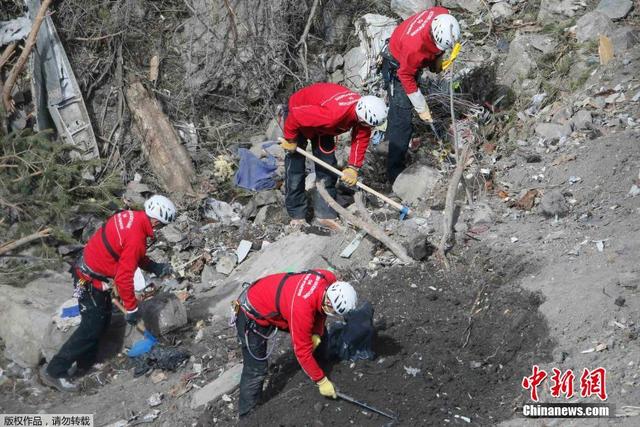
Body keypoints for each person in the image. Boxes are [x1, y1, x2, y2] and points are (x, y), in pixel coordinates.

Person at [39, 195, 177, 392]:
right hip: (87, 279)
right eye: (162, 225)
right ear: (156, 221)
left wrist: (154, 266)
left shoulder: (132, 217)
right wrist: (131, 308)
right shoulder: (137, 236)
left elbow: (129, 253)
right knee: (91, 326)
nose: (160, 229)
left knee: (101, 321)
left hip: (91, 270)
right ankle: (55, 371)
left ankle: (85, 364)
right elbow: (123, 277)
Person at [233, 269, 358, 417]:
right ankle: (247, 415)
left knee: (321, 334)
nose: (335, 315)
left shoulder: (328, 278)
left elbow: (321, 311)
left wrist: (317, 333)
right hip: (252, 313)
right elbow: (302, 353)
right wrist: (322, 381)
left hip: (278, 300)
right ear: (329, 301)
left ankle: (321, 365)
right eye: (335, 312)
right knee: (256, 369)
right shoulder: (302, 311)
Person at [279, 82, 387, 230]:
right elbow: (296, 116)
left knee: (327, 165)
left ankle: (325, 213)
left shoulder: (364, 113)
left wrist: (353, 168)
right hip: (298, 112)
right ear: (361, 117)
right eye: (368, 125)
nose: (369, 128)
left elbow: (361, 138)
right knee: (295, 166)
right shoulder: (333, 115)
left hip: (322, 125)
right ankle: (297, 214)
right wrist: (290, 139)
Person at [384, 7, 460, 183]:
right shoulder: (414, 49)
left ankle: (385, 146)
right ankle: (394, 173)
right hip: (397, 66)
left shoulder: (442, 15)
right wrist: (422, 108)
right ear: (433, 36)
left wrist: (438, 58)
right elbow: (406, 76)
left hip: (410, 54)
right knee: (402, 118)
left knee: (397, 113)